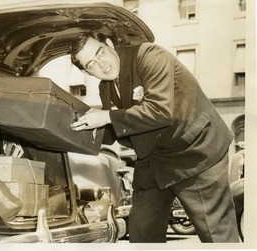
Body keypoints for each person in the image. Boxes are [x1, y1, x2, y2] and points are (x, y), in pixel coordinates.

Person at [70, 32, 240, 243]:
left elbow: (159, 112)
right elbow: (117, 130)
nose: (101, 65)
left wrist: (105, 116)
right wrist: (70, 131)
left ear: (109, 43)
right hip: (156, 158)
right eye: (91, 64)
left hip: (196, 150)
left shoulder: (148, 55)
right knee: (142, 233)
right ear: (87, 72)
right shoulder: (105, 89)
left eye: (100, 53)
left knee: (217, 236)